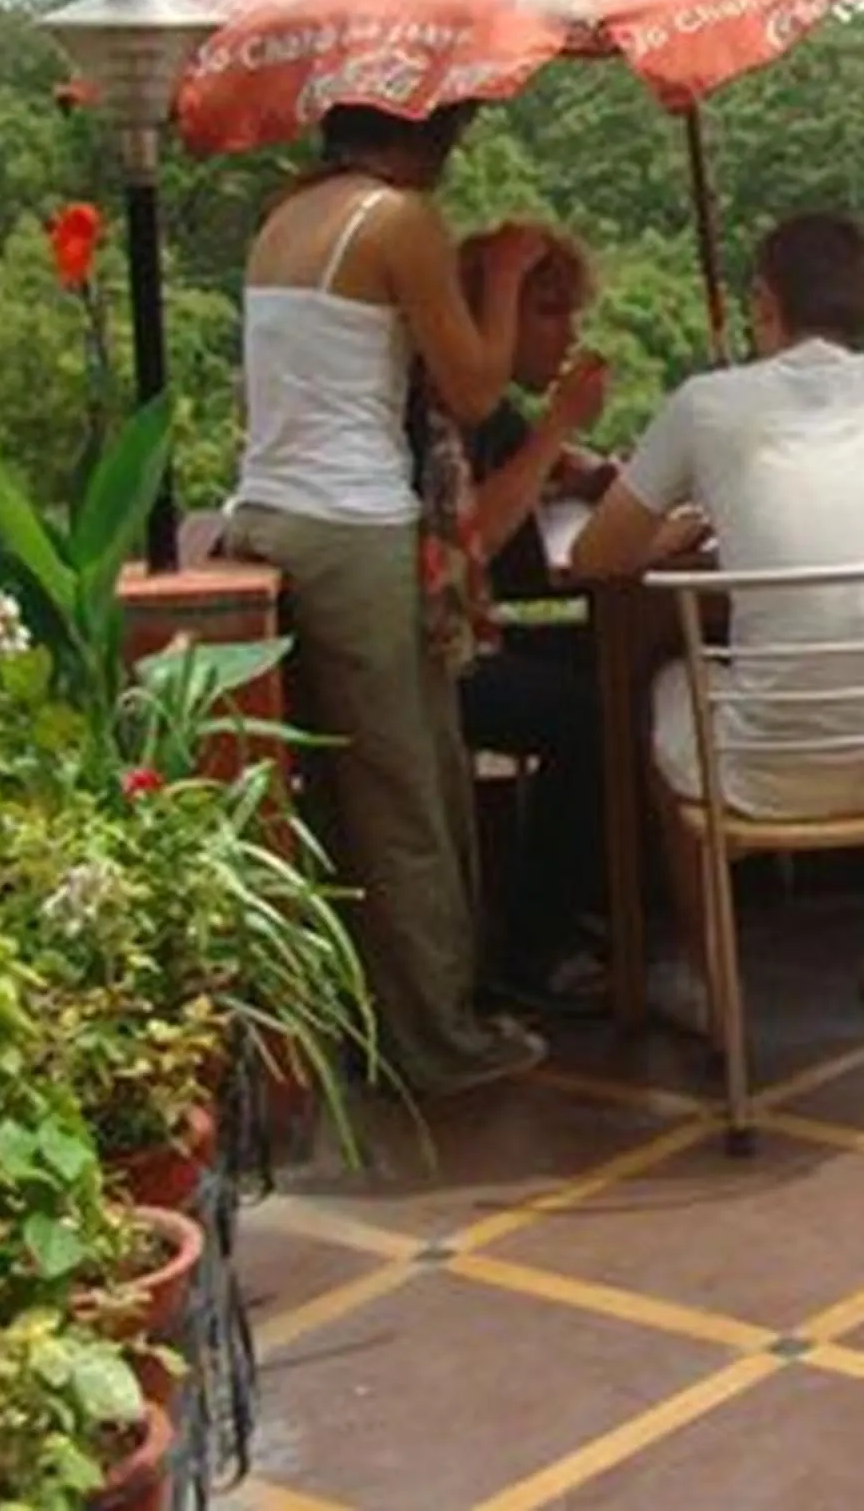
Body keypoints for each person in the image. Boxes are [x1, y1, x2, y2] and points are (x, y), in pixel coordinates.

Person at [570, 212, 864, 1034]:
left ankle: (712, 976)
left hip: (759, 774)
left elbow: (595, 558)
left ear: (763, 304)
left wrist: (681, 527)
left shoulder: (706, 404)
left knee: (665, 684)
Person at [224, 101, 549, 1097]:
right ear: (421, 137)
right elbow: (478, 386)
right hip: (354, 526)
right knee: (409, 786)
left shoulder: (287, 215)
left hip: (265, 515)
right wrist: (502, 280)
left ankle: (358, 1021)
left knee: (331, 789)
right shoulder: (397, 218)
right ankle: (440, 1043)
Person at [451, 224, 615, 1012]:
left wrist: (583, 470)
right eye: (549, 312)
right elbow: (472, 531)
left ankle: (599, 906)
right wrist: (560, 427)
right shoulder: (436, 406)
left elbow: (552, 473)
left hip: (480, 630)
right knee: (586, 714)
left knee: (617, 656)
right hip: (435, 653)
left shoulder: (496, 418)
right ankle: (536, 944)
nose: (568, 333)